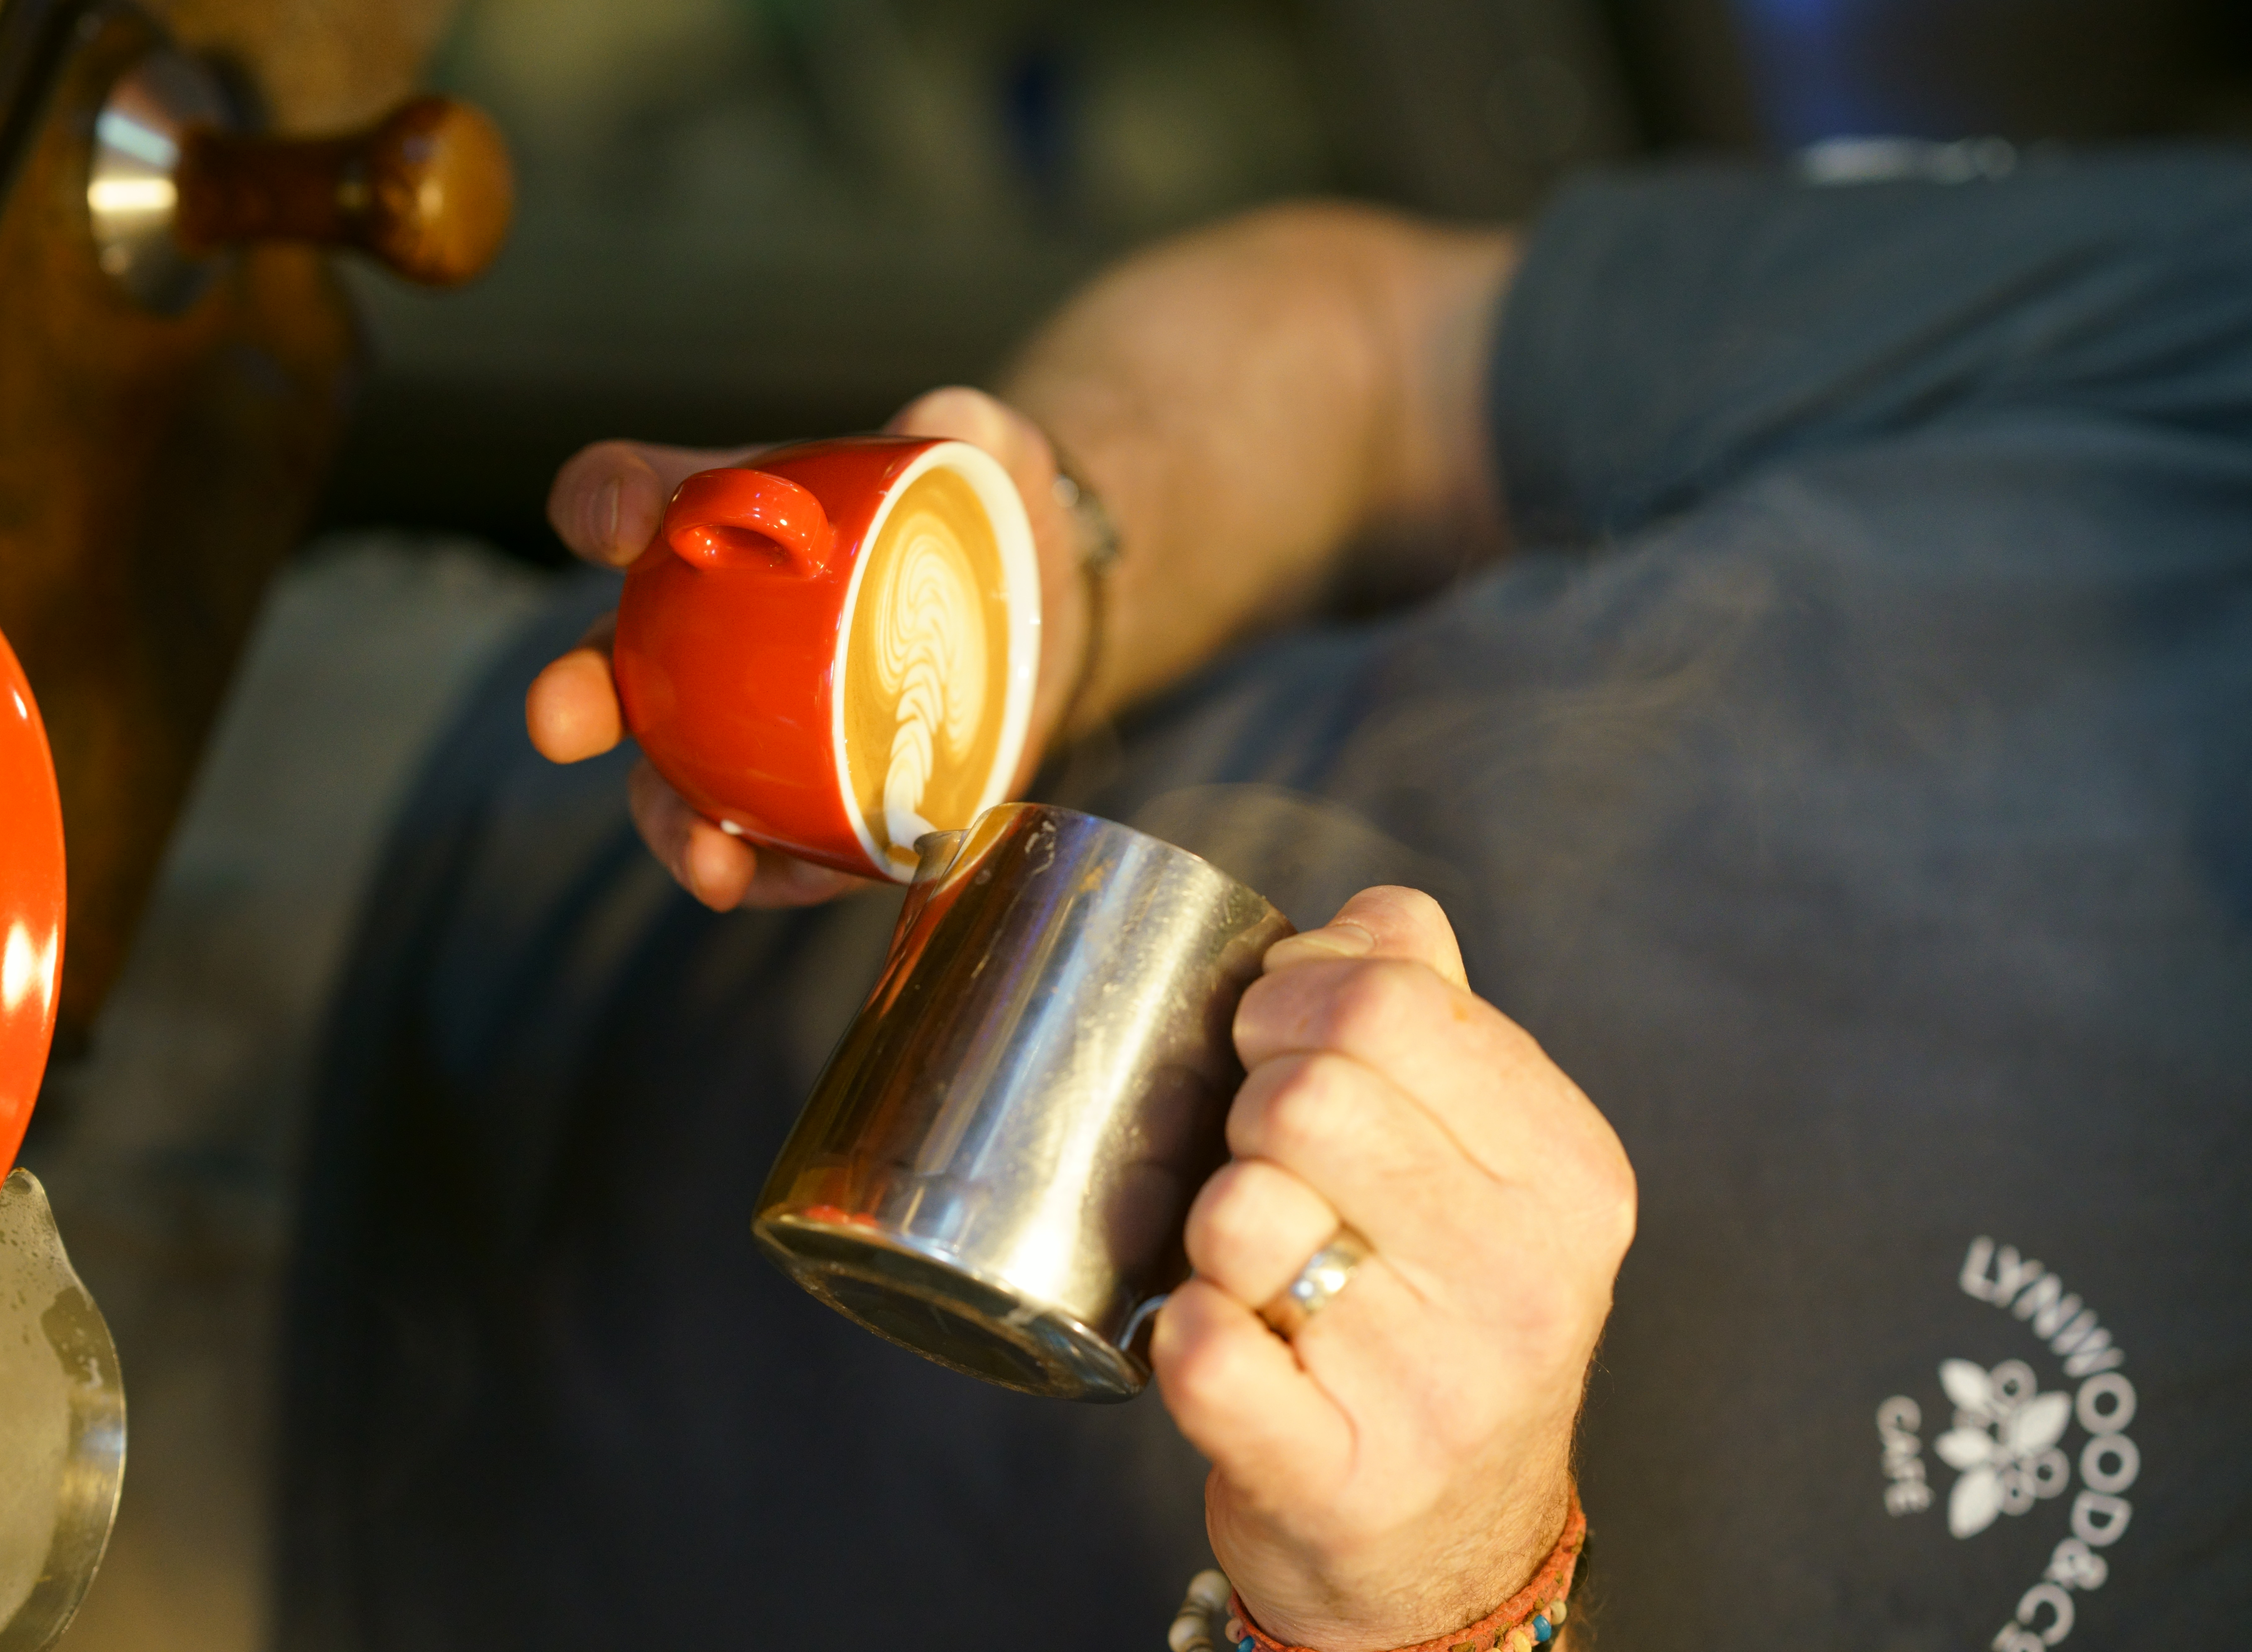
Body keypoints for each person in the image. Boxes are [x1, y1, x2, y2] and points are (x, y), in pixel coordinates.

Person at [278, 151, 2252, 1651]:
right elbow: (1389, 361)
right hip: (400, 819)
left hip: (336, 1573)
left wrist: (1466, 1593)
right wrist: (1070, 556)